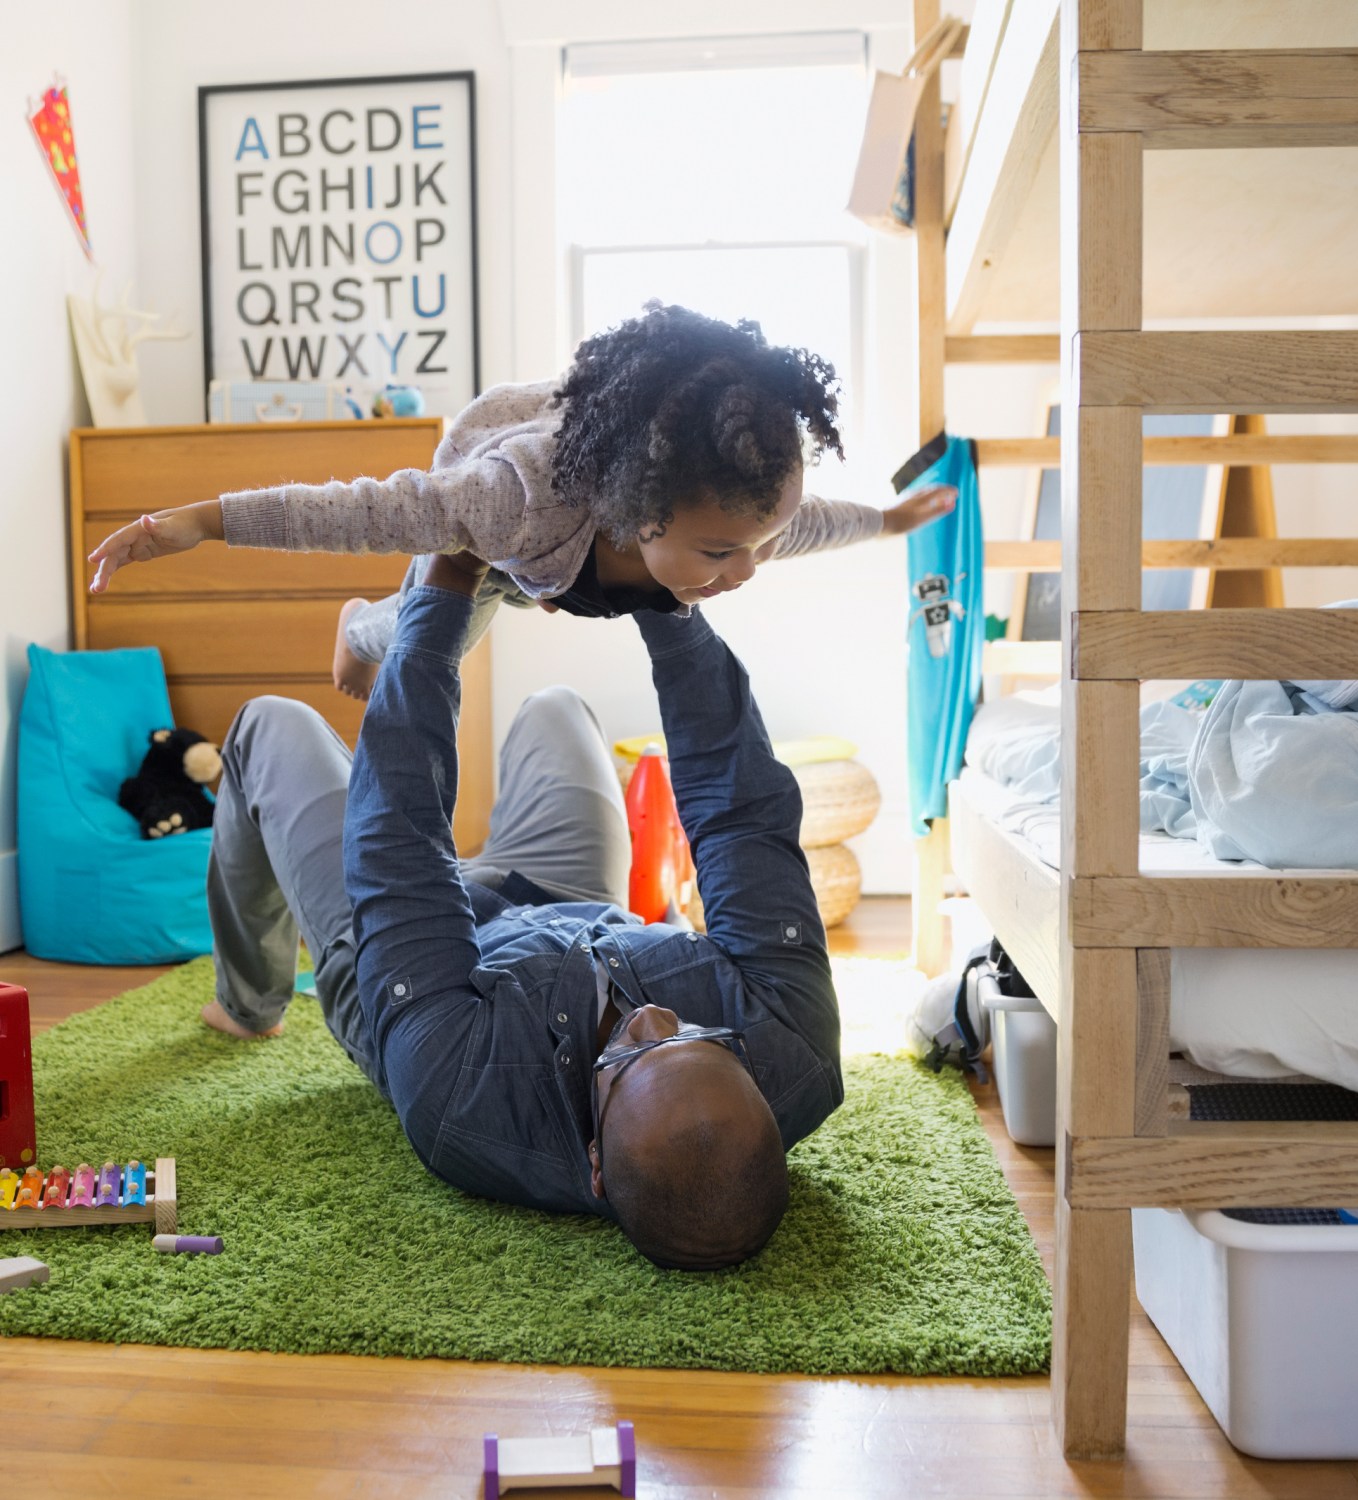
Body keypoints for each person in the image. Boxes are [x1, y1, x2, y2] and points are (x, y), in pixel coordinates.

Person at [206, 549, 842, 1270]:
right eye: (699, 1036)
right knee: (557, 706)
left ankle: (248, 1002)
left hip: (419, 968)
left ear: (595, 1164)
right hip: (573, 907)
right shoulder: (794, 1040)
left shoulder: (459, 1097)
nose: (653, 1017)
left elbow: (401, 839)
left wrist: (444, 591)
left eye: (630, 1054)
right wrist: (659, 589)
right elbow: (738, 814)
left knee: (269, 724)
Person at [86, 304, 956, 701]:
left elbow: (808, 524)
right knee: (437, 637)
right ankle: (360, 626)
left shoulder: (732, 517)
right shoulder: (512, 505)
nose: (745, 573)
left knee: (749, 551)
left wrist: (888, 522)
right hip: (505, 524)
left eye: (753, 548)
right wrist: (198, 522)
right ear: (638, 511)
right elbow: (359, 510)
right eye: (721, 554)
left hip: (574, 537)